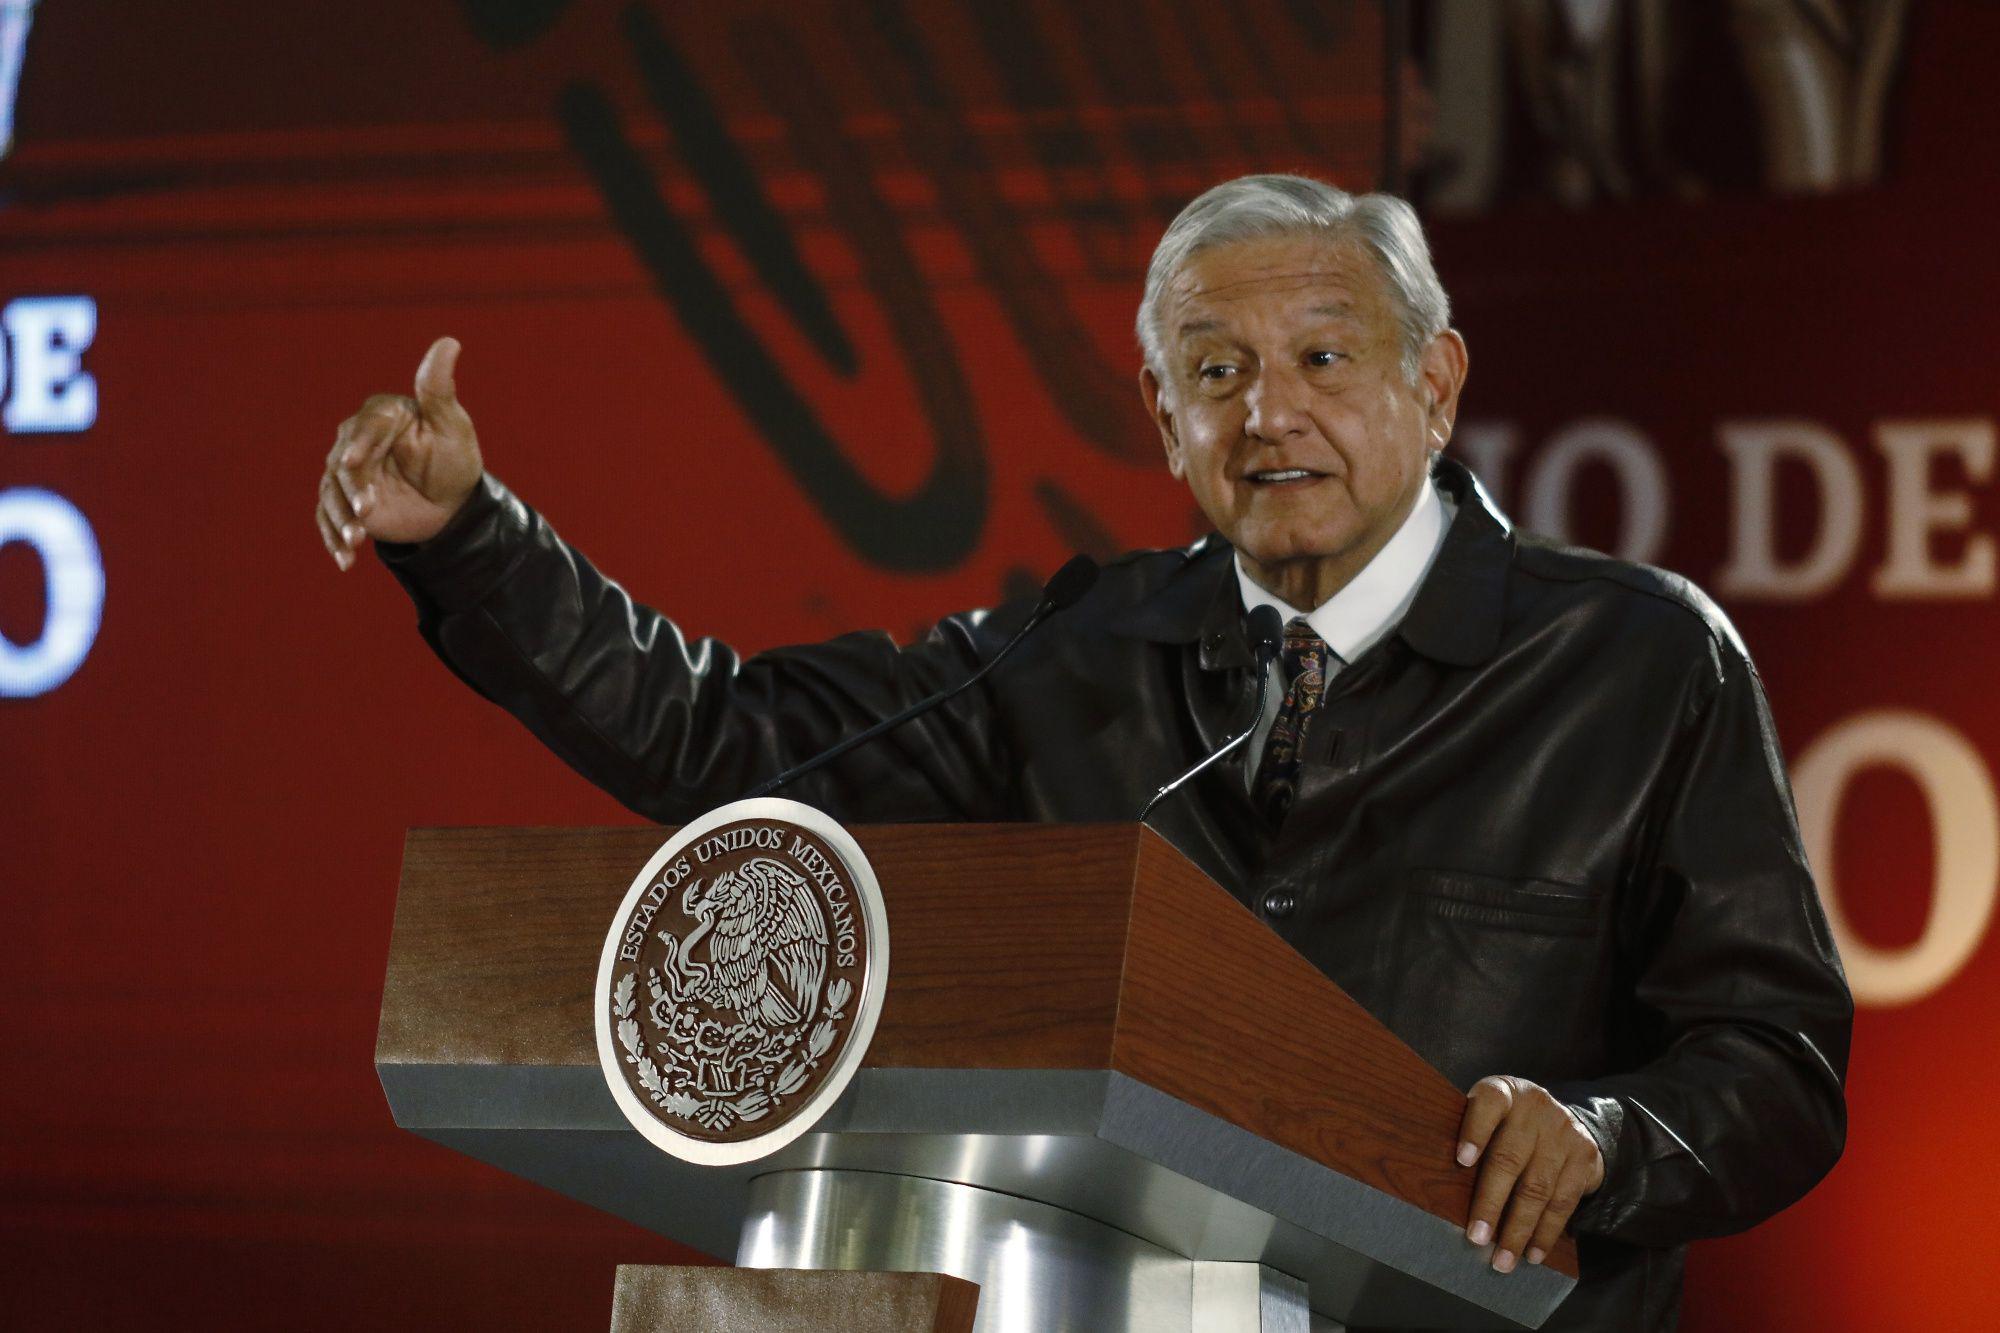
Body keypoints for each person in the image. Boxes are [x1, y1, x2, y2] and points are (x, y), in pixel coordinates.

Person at [314, 174, 1849, 1331]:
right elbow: (730, 745)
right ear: (1160, 413)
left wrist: (1605, 1138)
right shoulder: (1077, 648)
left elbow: (1777, 1058)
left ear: (1434, 384)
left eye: (1324, 357)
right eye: (1218, 369)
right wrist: (470, 541)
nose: (1270, 414)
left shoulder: (1636, 660)